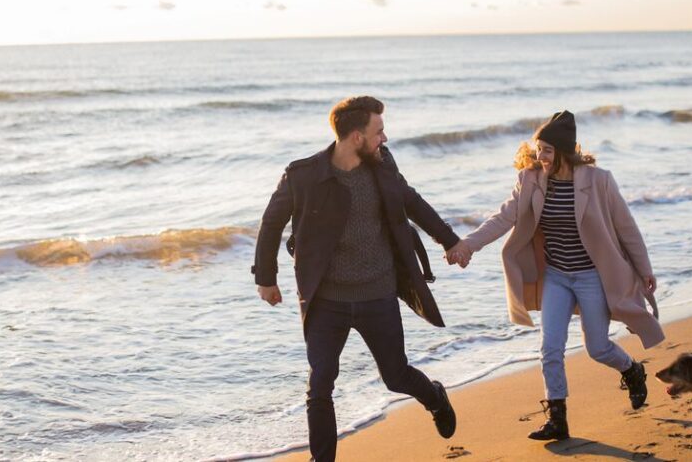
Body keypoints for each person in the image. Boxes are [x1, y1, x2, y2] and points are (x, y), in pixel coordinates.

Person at [252, 96, 466, 461]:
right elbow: (271, 224)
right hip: (325, 300)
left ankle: (434, 397)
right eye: (378, 131)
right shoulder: (303, 176)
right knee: (320, 385)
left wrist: (451, 241)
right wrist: (266, 278)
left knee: (396, 375)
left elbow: (412, 202)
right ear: (355, 137)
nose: (384, 138)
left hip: (377, 293)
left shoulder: (382, 166)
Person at [445, 110, 663, 441]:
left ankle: (632, 370)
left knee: (598, 348)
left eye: (547, 150)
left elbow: (626, 228)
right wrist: (467, 245)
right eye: (538, 149)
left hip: (591, 276)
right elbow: (504, 218)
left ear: (564, 151)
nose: (540, 156)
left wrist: (644, 269)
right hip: (556, 276)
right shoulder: (530, 179)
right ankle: (557, 418)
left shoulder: (598, 180)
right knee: (550, 348)